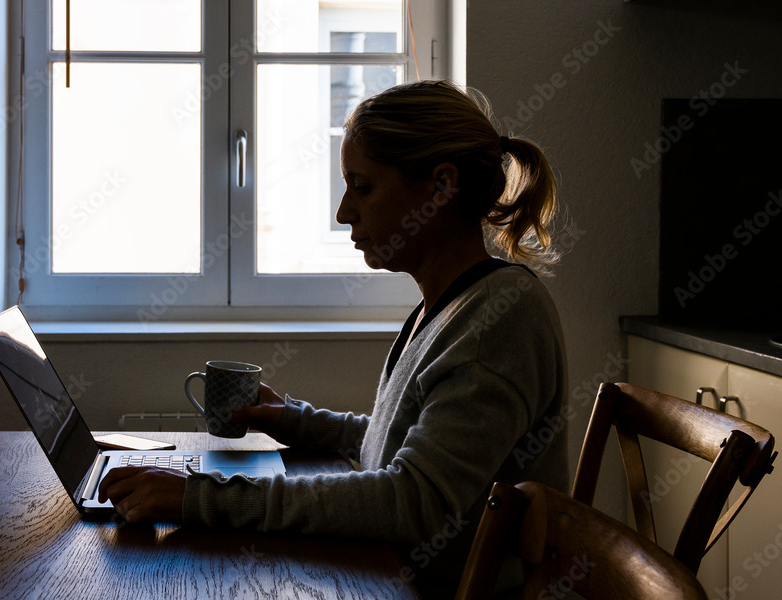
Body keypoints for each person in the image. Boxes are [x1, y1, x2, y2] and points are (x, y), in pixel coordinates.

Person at [98, 79, 568, 597]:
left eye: (362, 187)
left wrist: (199, 498)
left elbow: (409, 502)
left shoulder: (496, 322)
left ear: (440, 186)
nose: (345, 212)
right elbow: (405, 443)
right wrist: (297, 421)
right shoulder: (454, 304)